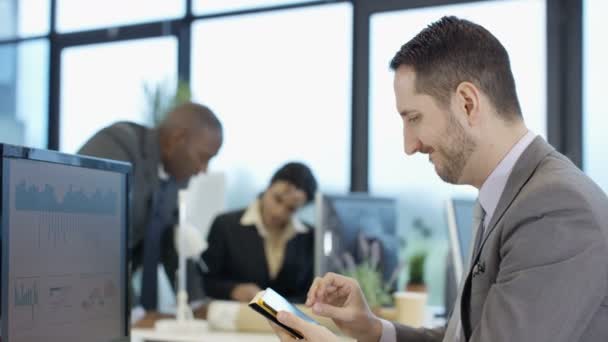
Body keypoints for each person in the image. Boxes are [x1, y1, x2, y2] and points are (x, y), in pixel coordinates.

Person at [269, 16, 608, 342]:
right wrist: (373, 331)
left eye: (414, 117)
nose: (408, 145)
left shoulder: (555, 209)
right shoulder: (507, 196)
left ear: (467, 103)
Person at [78, 102, 223, 311]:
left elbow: (171, 240)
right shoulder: (116, 146)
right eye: (203, 157)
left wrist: (197, 304)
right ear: (177, 139)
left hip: (106, 299)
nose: (203, 170)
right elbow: (92, 239)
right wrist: (134, 314)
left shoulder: (176, 175)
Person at [202, 162, 317, 303]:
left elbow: (311, 292)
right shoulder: (225, 225)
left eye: (291, 208)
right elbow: (204, 281)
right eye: (277, 199)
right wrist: (233, 289)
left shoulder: (309, 236)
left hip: (288, 321)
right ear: (268, 187)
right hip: (237, 319)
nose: (279, 212)